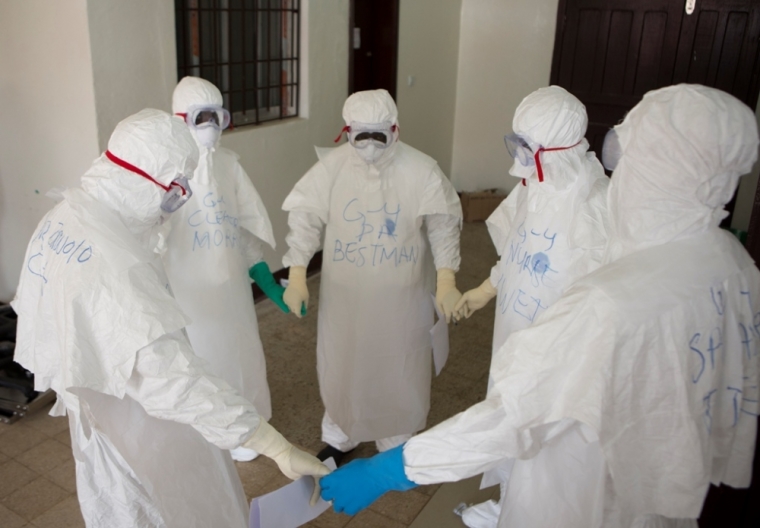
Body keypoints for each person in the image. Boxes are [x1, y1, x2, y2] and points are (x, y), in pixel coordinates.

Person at [320, 84, 760, 528]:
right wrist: (487, 289)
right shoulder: (733, 263)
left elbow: (518, 415)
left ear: (652, 169)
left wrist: (397, 468)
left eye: (624, 157)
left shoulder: (610, 299)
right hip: (650, 476)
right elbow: (520, 251)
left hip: (579, 491)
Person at [11, 109, 329, 528]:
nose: (175, 205)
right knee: (169, 510)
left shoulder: (64, 217)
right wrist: (272, 444)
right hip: (144, 431)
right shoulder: (114, 265)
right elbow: (171, 380)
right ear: (140, 178)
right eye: (174, 192)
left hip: (102, 419)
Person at [452, 85, 609, 526]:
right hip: (514, 332)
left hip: (562, 351)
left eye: (527, 148)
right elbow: (517, 252)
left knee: (549, 433)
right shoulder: (533, 186)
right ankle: (508, 502)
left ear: (556, 149)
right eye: (516, 144)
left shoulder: (597, 208)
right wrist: (486, 288)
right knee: (510, 415)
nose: (517, 159)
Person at [281, 89, 463, 463]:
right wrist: (297, 272)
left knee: (398, 361)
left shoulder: (421, 169)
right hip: (345, 296)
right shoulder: (331, 169)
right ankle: (341, 430)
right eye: (359, 136)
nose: (368, 147)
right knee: (343, 359)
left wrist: (447, 279)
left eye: (378, 136)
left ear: (394, 129)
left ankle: (395, 434)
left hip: (402, 298)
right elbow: (305, 218)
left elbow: (444, 227)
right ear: (346, 131)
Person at [165, 76, 284, 462]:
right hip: (186, 293)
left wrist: (264, 277)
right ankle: (203, 433)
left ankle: (243, 428)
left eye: (218, 116)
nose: (211, 127)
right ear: (179, 119)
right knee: (197, 359)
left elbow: (240, 229)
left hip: (231, 292)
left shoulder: (229, 166)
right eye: (202, 117)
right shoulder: (161, 173)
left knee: (239, 355)